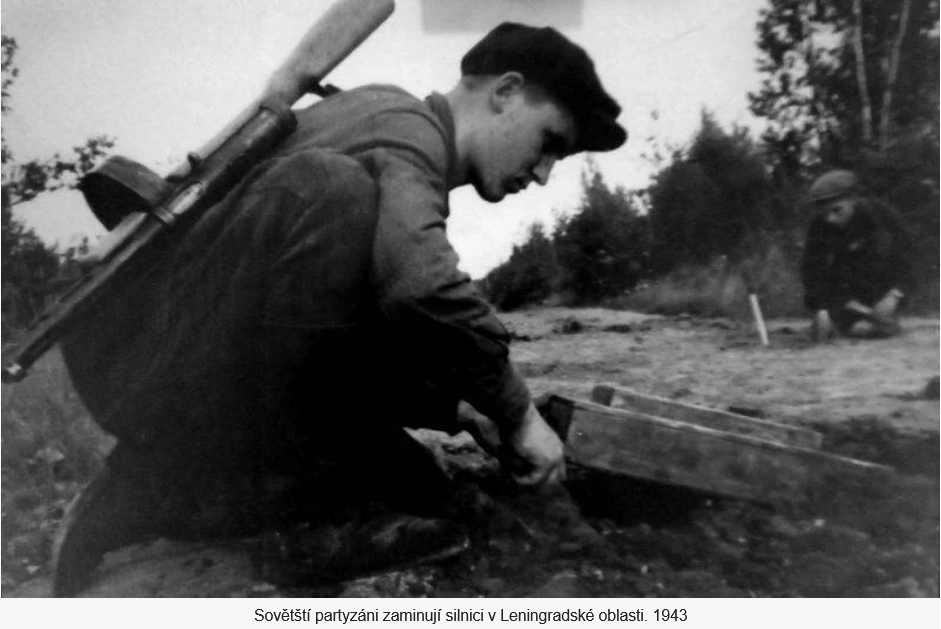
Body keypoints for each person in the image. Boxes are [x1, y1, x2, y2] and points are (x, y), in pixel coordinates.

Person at [52, 23, 627, 595]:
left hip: (159, 356)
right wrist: (519, 414)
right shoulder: (407, 130)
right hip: (139, 358)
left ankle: (141, 491)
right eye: (550, 142)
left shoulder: (386, 127)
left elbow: (341, 336)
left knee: (418, 487)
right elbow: (421, 288)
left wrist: (459, 408)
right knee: (331, 191)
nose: (544, 174)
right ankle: (250, 502)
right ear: (505, 91)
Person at [801, 170, 913, 341]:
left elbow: (908, 258)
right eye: (824, 213)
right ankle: (844, 321)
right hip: (844, 294)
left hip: (883, 290)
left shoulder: (882, 216)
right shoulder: (819, 226)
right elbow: (811, 270)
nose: (830, 218)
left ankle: (876, 320)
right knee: (828, 328)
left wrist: (895, 295)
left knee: (881, 329)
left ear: (853, 199)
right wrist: (820, 308)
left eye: (837, 210)